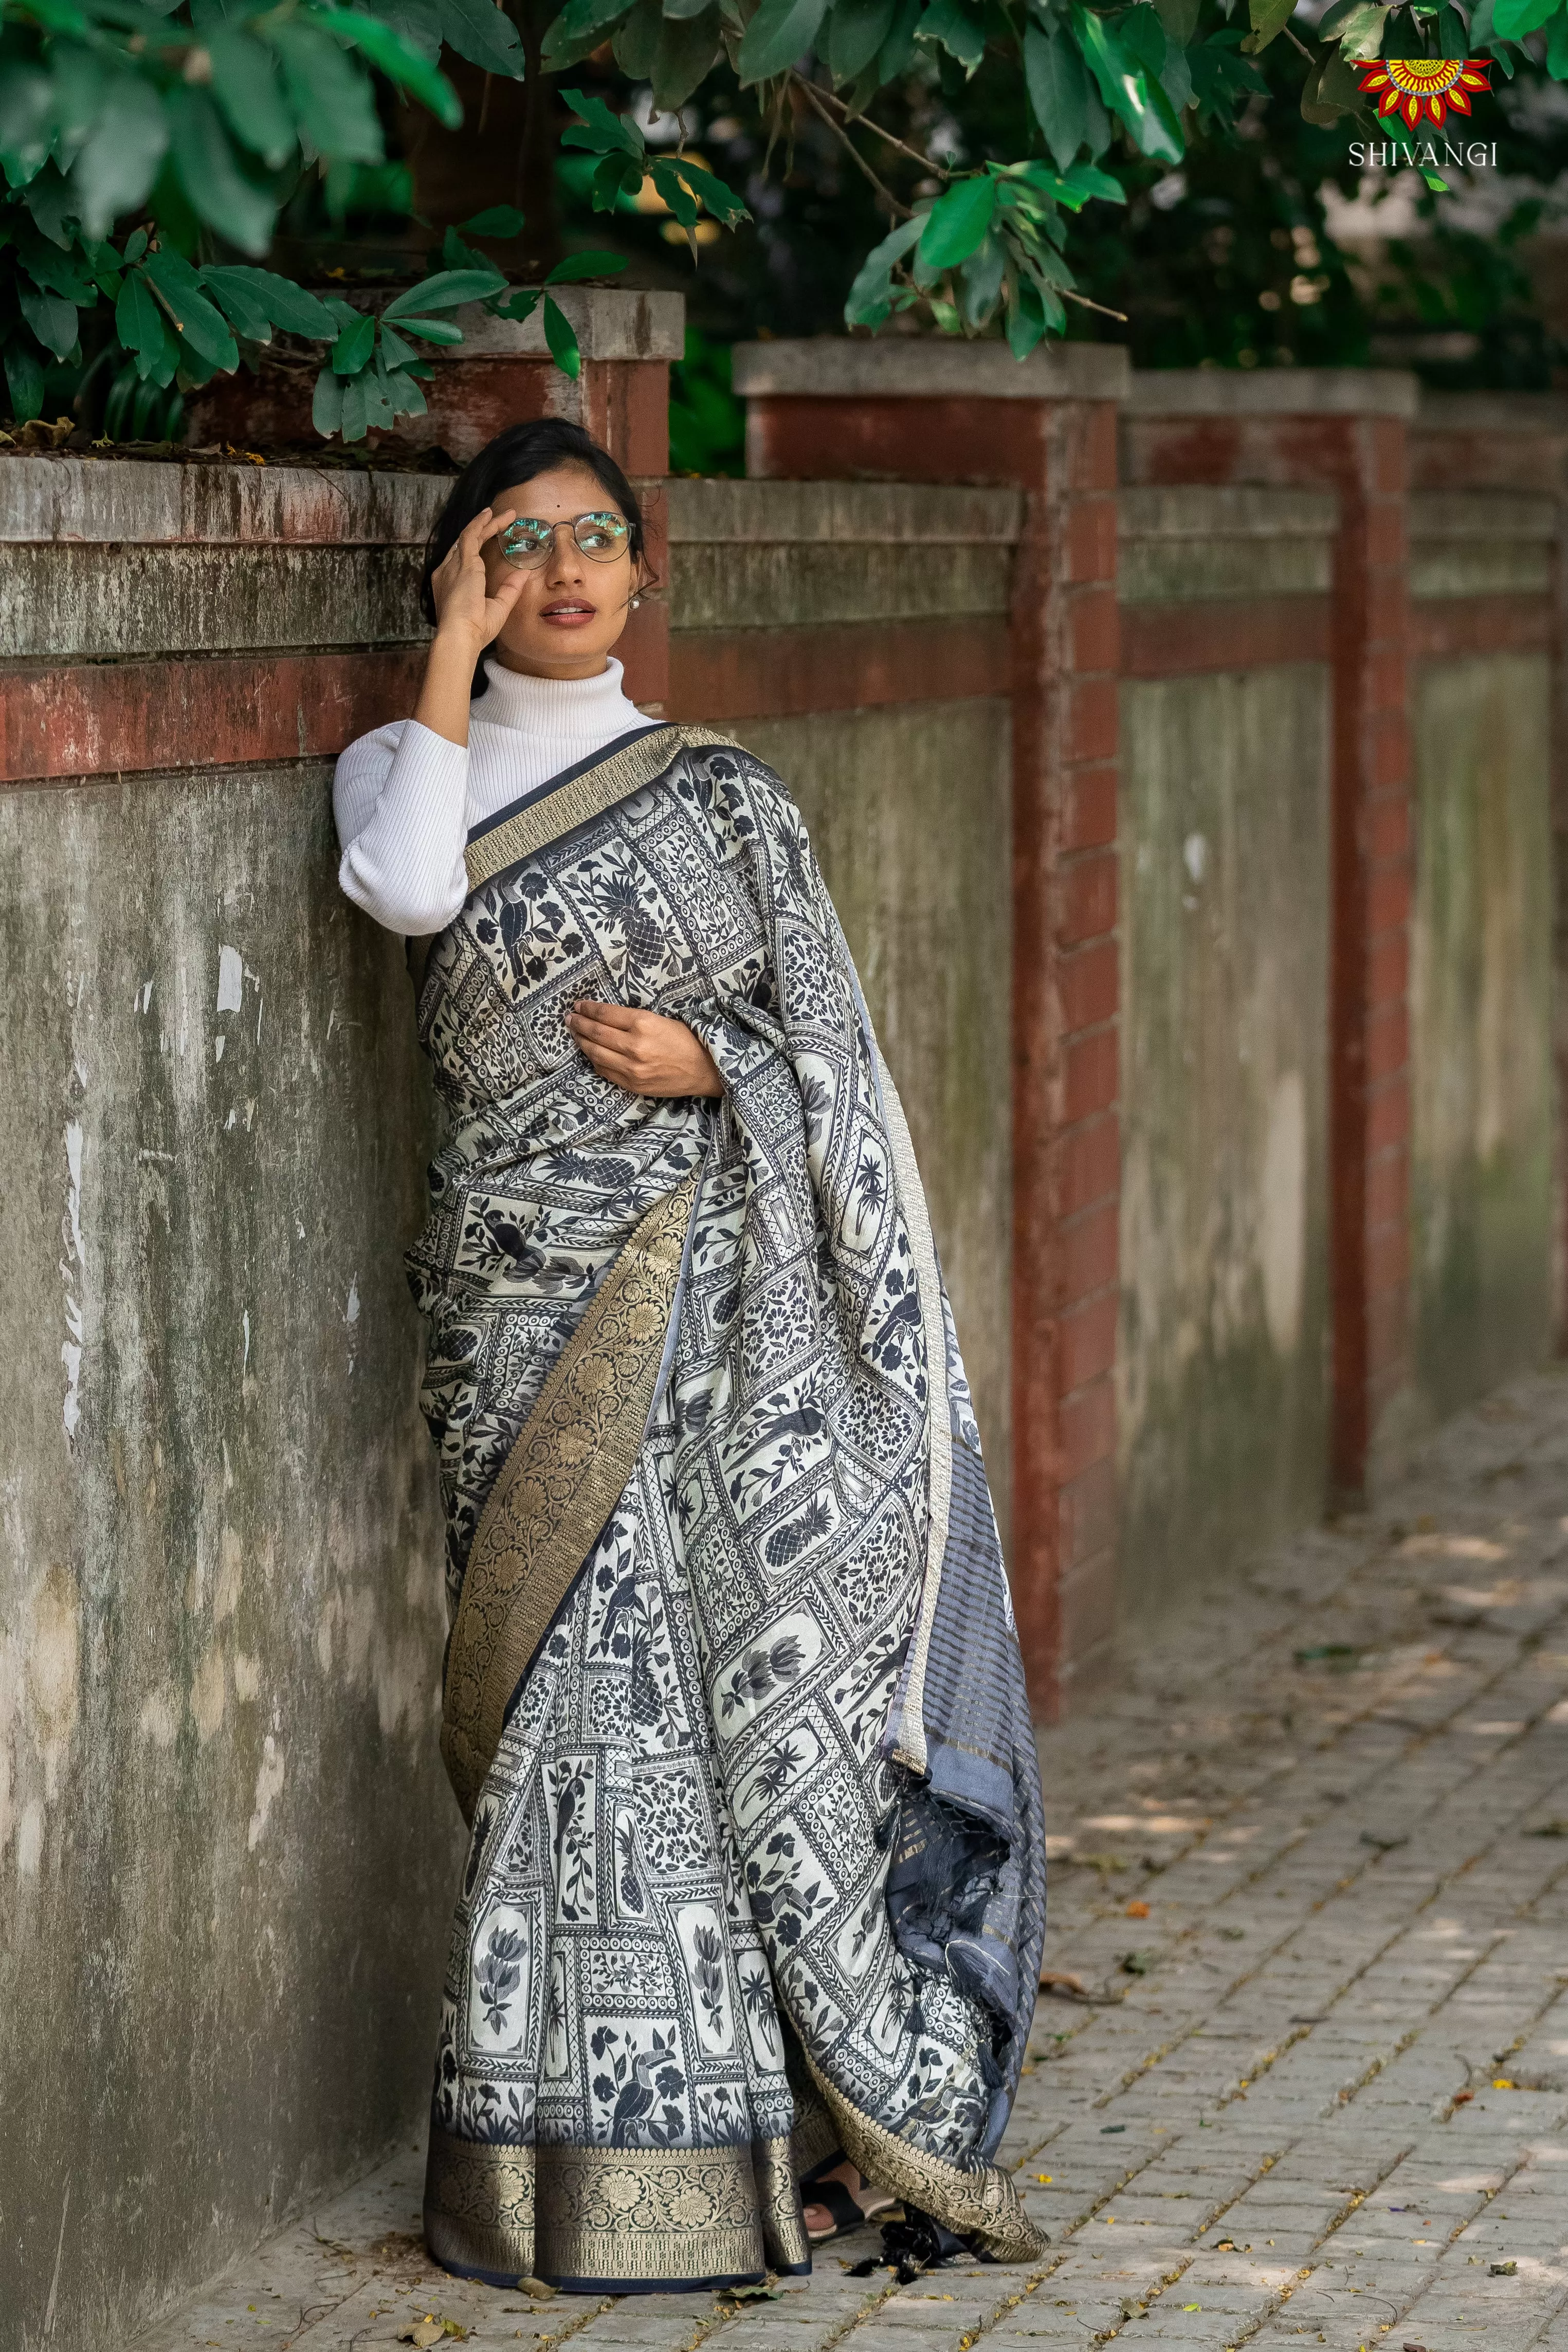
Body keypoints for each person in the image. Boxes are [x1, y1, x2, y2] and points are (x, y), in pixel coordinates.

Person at [333, 416, 1046, 2294]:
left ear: (650, 572)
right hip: (510, 1302)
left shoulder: (729, 798)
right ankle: (550, 2168)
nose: (562, 573)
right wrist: (443, 657)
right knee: (558, 1700)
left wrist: (716, 1065)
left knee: (682, 1720)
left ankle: (735, 2153)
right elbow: (409, 895)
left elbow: (847, 1075)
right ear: (468, 572)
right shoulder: (408, 767)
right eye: (517, 545)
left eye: (594, 539)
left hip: (715, 1322)